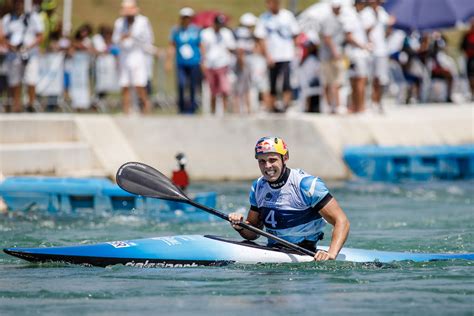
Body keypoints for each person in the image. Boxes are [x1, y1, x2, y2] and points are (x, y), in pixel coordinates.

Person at [228, 137, 350, 261]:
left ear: (285, 157)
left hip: (305, 252)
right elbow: (253, 233)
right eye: (262, 161)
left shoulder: (307, 185)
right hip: (273, 250)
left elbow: (342, 221)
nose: (267, 166)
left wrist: (331, 254)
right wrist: (241, 226)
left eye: (272, 160)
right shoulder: (258, 187)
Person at [254, 0, 300, 113]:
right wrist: (267, 55)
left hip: (286, 55)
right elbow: (261, 38)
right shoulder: (264, 18)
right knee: (272, 83)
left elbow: (295, 34)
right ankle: (272, 106)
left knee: (286, 82)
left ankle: (286, 105)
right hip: (272, 56)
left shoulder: (287, 16)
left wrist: (295, 49)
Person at [2, 0, 44, 112]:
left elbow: (40, 36)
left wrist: (28, 47)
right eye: (16, 2)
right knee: (14, 80)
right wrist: (11, 46)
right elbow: (3, 37)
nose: (18, 5)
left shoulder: (33, 17)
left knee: (31, 79)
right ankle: (16, 105)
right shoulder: (8, 18)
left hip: (30, 54)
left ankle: (31, 104)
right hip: (13, 54)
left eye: (20, 2)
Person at [112, 0, 153, 114]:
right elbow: (115, 39)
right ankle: (126, 110)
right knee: (124, 84)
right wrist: (123, 37)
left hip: (138, 55)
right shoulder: (119, 23)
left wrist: (132, 36)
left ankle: (145, 107)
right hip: (125, 55)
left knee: (139, 84)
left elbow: (147, 39)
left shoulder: (143, 21)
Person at [167, 7, 202, 114]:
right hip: (181, 62)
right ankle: (181, 107)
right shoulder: (176, 30)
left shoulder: (196, 30)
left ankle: (192, 107)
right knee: (181, 84)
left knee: (192, 85)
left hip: (194, 62)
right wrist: (168, 61)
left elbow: (200, 45)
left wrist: (203, 60)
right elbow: (172, 46)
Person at [200, 14, 236, 114]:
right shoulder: (206, 33)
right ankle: (213, 112)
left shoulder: (226, 33)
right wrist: (203, 62)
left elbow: (231, 47)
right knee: (213, 91)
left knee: (225, 89)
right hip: (210, 65)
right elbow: (202, 48)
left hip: (223, 64)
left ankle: (224, 113)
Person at [319, 0, 346, 114]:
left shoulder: (339, 19)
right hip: (330, 56)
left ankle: (333, 105)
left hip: (335, 54)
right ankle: (333, 105)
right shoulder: (329, 20)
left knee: (335, 81)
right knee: (332, 81)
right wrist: (335, 52)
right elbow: (327, 38)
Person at [461, 17, 474, 101]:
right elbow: (462, 47)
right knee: (470, 77)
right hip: (470, 58)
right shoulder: (467, 35)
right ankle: (472, 93)